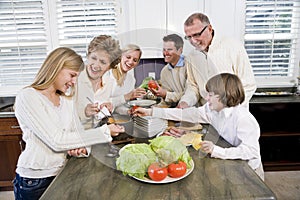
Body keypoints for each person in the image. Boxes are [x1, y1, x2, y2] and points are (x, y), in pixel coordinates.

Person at [13, 47, 125, 200]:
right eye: (72, 75)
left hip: (63, 172)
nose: (73, 82)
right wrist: (105, 132)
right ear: (56, 67)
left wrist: (82, 149)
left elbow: (74, 133)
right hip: (35, 180)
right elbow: (57, 140)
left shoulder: (66, 99)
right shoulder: (28, 97)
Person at [133, 73, 264, 180]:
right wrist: (151, 112)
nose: (206, 98)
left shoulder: (243, 119)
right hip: (232, 163)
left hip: (249, 170)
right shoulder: (212, 110)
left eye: (211, 95)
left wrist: (217, 150)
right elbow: (184, 114)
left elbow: (249, 151)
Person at [177, 12, 257, 108]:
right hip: (207, 115)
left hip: (232, 116)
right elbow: (193, 86)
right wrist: (185, 102)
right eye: (189, 37)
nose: (193, 41)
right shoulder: (192, 56)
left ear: (209, 29)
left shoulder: (233, 47)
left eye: (197, 34)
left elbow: (249, 85)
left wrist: (228, 107)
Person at [76, 35, 122, 129]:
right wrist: (84, 112)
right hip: (74, 138)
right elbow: (61, 115)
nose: (96, 65)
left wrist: (108, 108)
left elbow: (99, 117)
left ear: (110, 66)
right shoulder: (74, 78)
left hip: (96, 136)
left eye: (103, 62)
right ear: (88, 55)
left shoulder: (109, 82)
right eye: (93, 58)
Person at [105, 44, 147, 114]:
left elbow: (118, 106)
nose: (130, 62)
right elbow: (102, 103)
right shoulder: (107, 74)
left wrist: (128, 111)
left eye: (135, 60)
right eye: (128, 57)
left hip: (114, 118)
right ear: (120, 56)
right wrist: (127, 96)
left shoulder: (131, 80)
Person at [148, 34, 187, 107]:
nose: (165, 53)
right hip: (176, 112)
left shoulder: (189, 66)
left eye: (169, 49)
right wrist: (152, 110)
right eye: (164, 49)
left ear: (180, 50)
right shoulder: (165, 71)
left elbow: (189, 95)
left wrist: (166, 94)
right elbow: (167, 102)